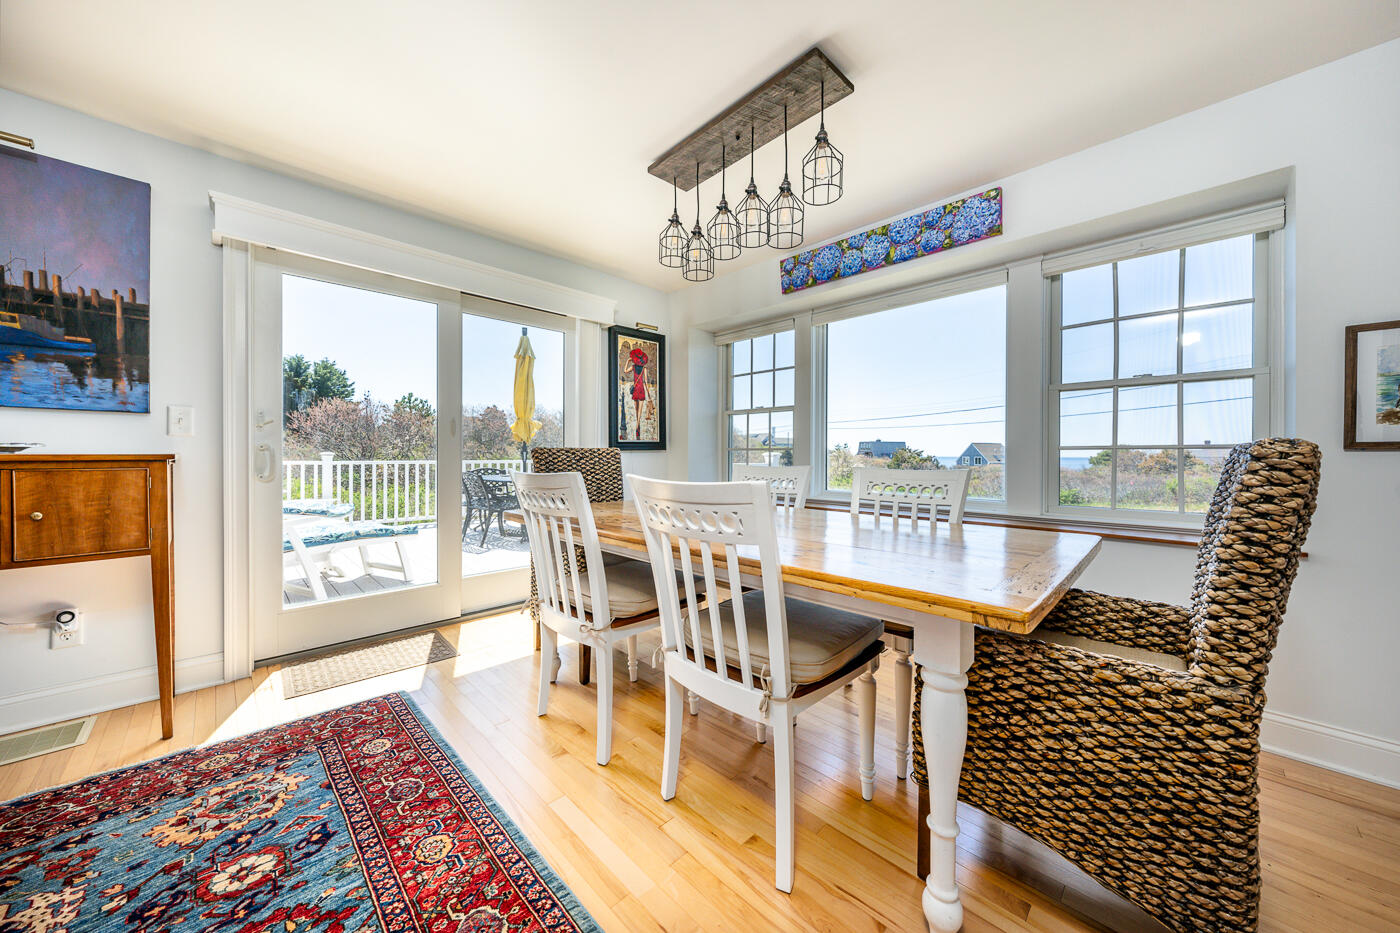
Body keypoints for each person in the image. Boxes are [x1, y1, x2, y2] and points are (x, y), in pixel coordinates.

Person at [628, 345, 649, 440]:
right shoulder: (644, 369)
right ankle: (638, 427)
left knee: (636, 410)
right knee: (639, 411)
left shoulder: (633, 367)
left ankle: (637, 426)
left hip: (636, 389)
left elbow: (625, 370)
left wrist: (627, 362)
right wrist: (648, 393)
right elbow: (646, 382)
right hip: (641, 389)